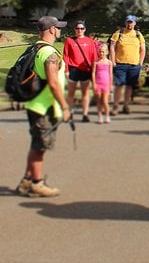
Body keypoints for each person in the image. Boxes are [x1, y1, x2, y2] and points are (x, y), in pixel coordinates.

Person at [15, 16, 71, 197]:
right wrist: (65, 106)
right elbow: (54, 83)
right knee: (40, 147)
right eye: (58, 27)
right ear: (52, 30)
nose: (60, 30)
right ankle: (37, 184)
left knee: (36, 144)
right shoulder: (50, 53)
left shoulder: (35, 47)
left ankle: (27, 180)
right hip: (45, 107)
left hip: (35, 104)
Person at [109, 15, 146, 115]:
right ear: (125, 23)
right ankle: (116, 106)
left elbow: (143, 50)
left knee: (129, 86)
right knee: (119, 85)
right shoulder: (118, 33)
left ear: (134, 23)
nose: (130, 24)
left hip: (134, 65)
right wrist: (113, 61)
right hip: (120, 64)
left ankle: (126, 105)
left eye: (131, 22)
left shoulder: (138, 35)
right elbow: (112, 47)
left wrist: (140, 63)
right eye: (128, 22)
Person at [63, 21, 97, 122]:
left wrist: (94, 71)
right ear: (75, 29)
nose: (79, 30)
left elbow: (94, 56)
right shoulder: (69, 41)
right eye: (77, 28)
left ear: (85, 29)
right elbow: (66, 56)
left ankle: (85, 114)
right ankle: (69, 114)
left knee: (85, 93)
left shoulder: (89, 41)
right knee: (71, 93)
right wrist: (66, 70)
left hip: (85, 69)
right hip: (73, 69)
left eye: (82, 28)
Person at [92, 43, 113, 124]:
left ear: (106, 52)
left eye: (103, 52)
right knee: (99, 101)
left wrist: (111, 85)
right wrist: (94, 84)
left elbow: (111, 74)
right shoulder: (96, 62)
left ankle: (107, 116)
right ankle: (100, 116)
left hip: (106, 84)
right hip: (98, 83)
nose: (101, 53)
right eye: (100, 52)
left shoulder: (109, 62)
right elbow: (93, 73)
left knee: (105, 101)